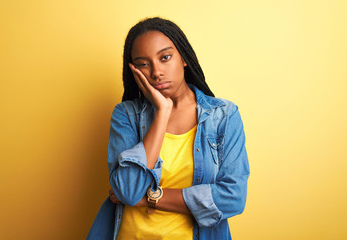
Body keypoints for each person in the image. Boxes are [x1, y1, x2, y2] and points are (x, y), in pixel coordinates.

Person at [87, 17, 250, 240]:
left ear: (183, 57)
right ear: (135, 70)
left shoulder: (223, 116)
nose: (156, 72)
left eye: (165, 57)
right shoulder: (126, 115)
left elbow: (233, 197)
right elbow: (128, 190)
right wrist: (162, 112)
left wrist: (150, 197)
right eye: (143, 63)